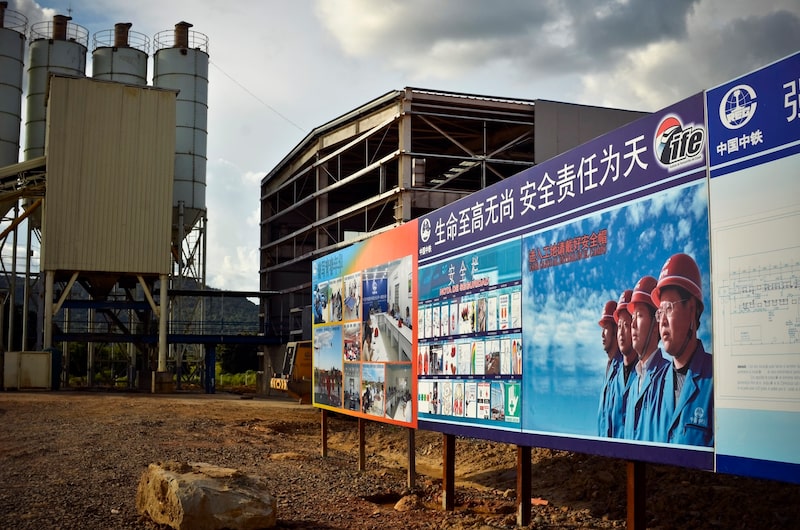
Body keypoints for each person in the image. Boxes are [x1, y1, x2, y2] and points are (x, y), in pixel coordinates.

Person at [651, 253, 713, 446]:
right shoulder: (656, 384)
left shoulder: (715, 381)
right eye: (659, 312)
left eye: (668, 308)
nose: (662, 321)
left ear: (692, 310)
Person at [623, 276, 669, 441]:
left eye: (640, 316)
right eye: (632, 318)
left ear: (656, 323)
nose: (633, 325)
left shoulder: (669, 379)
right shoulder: (634, 383)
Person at [609, 289, 637, 438]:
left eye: (626, 325)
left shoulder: (646, 374)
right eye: (619, 326)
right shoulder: (614, 377)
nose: (621, 333)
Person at [597, 299, 622, 437]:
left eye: (606, 328)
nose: (602, 335)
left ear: (615, 330)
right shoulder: (609, 369)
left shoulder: (625, 369)